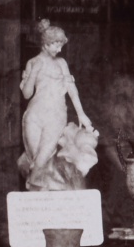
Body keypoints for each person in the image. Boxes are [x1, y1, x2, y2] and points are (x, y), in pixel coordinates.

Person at [20, 21, 97, 189]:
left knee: (41, 159)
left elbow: (72, 89)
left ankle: (35, 189)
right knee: (35, 158)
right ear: (46, 43)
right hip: (34, 114)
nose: (60, 49)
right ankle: (42, 192)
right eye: (57, 45)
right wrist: (34, 72)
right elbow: (26, 94)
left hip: (56, 115)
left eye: (61, 45)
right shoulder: (33, 62)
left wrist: (81, 114)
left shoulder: (61, 63)